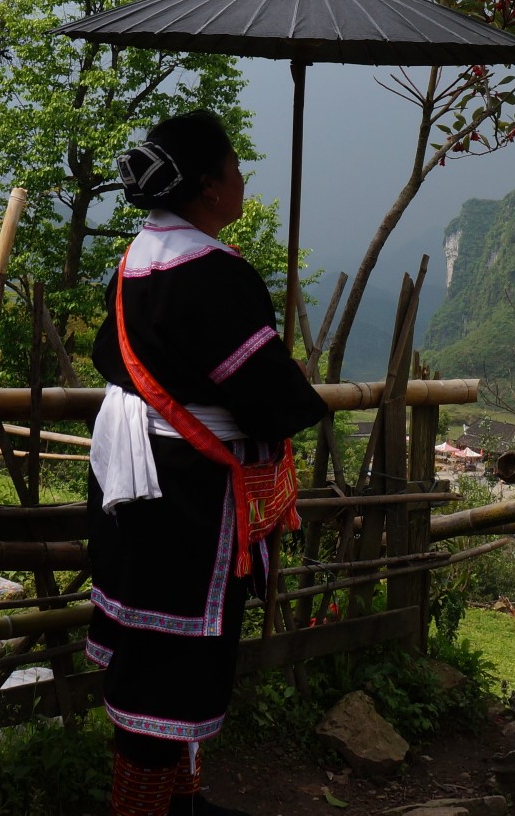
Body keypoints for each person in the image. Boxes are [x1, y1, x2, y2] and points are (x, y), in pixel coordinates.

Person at [85, 110, 329, 816]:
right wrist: (288, 383)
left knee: (154, 639)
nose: (243, 179)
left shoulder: (136, 258)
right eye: (234, 167)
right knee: (172, 650)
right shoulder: (213, 272)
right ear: (208, 187)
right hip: (185, 489)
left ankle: (180, 798)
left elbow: (111, 356)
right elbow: (264, 397)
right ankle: (145, 808)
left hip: (133, 475)